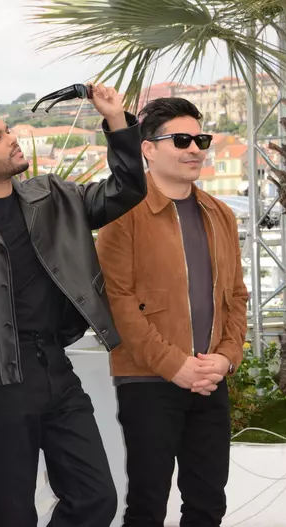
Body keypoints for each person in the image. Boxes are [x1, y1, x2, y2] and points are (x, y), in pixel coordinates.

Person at [0, 85, 146, 527]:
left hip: (55, 368)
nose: (12, 139)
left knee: (96, 498)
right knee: (11, 514)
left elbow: (126, 188)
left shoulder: (54, 196)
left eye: (7, 129)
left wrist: (116, 120)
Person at [95, 97, 248, 527]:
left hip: (210, 378)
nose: (195, 149)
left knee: (207, 504)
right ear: (148, 148)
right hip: (148, 380)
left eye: (201, 139)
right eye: (181, 140)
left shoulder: (220, 214)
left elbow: (236, 296)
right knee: (148, 506)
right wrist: (173, 365)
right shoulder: (122, 213)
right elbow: (118, 301)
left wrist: (226, 357)